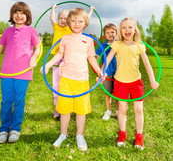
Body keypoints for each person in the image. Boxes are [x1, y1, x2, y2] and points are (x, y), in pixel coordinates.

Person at [41, 8, 103, 151]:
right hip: (66, 79)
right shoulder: (65, 38)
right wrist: (48, 64)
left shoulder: (88, 40)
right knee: (64, 109)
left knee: (81, 110)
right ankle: (63, 134)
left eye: (80, 21)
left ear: (85, 23)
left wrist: (99, 71)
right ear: (68, 22)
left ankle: (79, 135)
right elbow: (59, 54)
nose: (76, 23)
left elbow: (91, 58)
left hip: (82, 80)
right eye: (73, 20)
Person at [102, 17, 159, 150]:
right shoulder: (116, 45)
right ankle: (122, 134)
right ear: (120, 31)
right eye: (123, 28)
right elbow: (108, 59)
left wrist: (152, 79)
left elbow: (147, 63)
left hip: (136, 82)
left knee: (138, 109)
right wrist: (102, 72)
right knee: (122, 109)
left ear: (135, 30)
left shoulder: (139, 46)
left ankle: (139, 136)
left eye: (130, 27)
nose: (127, 30)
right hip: (120, 82)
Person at [0, 2, 40, 144]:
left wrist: (34, 59)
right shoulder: (7, 31)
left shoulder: (31, 31)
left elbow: (37, 48)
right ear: (12, 15)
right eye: (16, 12)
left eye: (22, 12)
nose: (19, 15)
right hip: (6, 72)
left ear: (27, 15)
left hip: (23, 73)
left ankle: (15, 129)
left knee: (18, 101)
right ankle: (3, 130)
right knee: (6, 102)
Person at [49, 4, 95, 119]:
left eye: (65, 18)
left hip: (69, 58)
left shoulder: (71, 29)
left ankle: (72, 108)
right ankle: (59, 109)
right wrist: (53, 9)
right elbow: (52, 18)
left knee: (70, 85)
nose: (63, 20)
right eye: (61, 18)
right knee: (58, 86)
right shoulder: (56, 26)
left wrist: (90, 12)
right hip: (58, 57)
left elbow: (82, 19)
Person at [95, 23, 119, 120]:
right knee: (108, 93)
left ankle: (118, 111)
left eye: (112, 32)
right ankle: (108, 110)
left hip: (119, 73)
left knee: (118, 94)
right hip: (106, 73)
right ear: (104, 35)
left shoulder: (119, 45)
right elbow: (97, 60)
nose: (110, 34)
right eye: (108, 32)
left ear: (116, 33)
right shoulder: (101, 46)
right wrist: (99, 72)